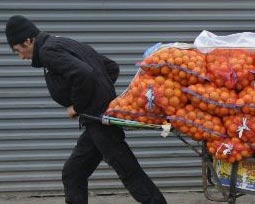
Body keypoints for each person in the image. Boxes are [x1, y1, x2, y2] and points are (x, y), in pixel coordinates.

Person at [5, 15, 167, 204]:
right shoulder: (64, 43)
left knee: (127, 171)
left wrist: (78, 105)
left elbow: (84, 74)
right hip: (97, 120)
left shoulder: (49, 51)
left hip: (98, 121)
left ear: (28, 40)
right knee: (74, 173)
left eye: (18, 51)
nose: (22, 57)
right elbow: (111, 67)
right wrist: (102, 96)